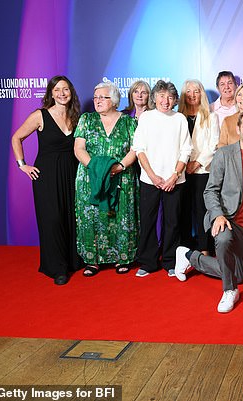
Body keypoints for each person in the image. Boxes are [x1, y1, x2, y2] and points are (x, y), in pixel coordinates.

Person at [175, 111, 243, 313]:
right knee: (223, 242)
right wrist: (218, 215)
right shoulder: (224, 154)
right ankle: (229, 290)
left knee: (238, 274)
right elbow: (210, 190)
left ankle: (189, 256)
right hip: (227, 218)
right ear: (238, 129)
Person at [10, 75, 82, 285]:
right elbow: (17, 137)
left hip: (72, 173)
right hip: (47, 176)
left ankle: (72, 261)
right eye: (57, 89)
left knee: (71, 217)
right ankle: (57, 268)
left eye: (66, 89)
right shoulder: (40, 116)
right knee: (52, 220)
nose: (62, 93)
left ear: (71, 93)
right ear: (51, 93)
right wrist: (22, 165)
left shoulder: (76, 116)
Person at [74, 82, 139, 276]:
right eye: (95, 98)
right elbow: (79, 148)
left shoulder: (129, 122)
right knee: (92, 216)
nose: (98, 101)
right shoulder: (86, 119)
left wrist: (120, 166)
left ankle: (123, 258)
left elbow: (136, 149)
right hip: (91, 177)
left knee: (122, 216)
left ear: (115, 101)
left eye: (103, 97)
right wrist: (97, 169)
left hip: (122, 177)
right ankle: (92, 260)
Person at [132, 80, 192, 278]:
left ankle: (170, 261)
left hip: (175, 180)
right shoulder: (146, 118)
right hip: (150, 179)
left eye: (170, 97)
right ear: (154, 98)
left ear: (175, 99)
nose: (165, 101)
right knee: (148, 220)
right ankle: (148, 262)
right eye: (161, 96)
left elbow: (186, 150)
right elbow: (139, 148)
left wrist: (175, 175)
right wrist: (152, 175)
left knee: (172, 222)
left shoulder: (180, 119)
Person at [178, 79, 220, 253]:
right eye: (188, 91)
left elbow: (214, 144)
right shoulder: (177, 118)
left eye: (196, 91)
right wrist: (183, 165)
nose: (192, 95)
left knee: (203, 211)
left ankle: (204, 248)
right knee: (183, 211)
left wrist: (196, 163)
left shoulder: (211, 117)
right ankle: (184, 249)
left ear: (201, 94)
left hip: (202, 170)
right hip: (180, 171)